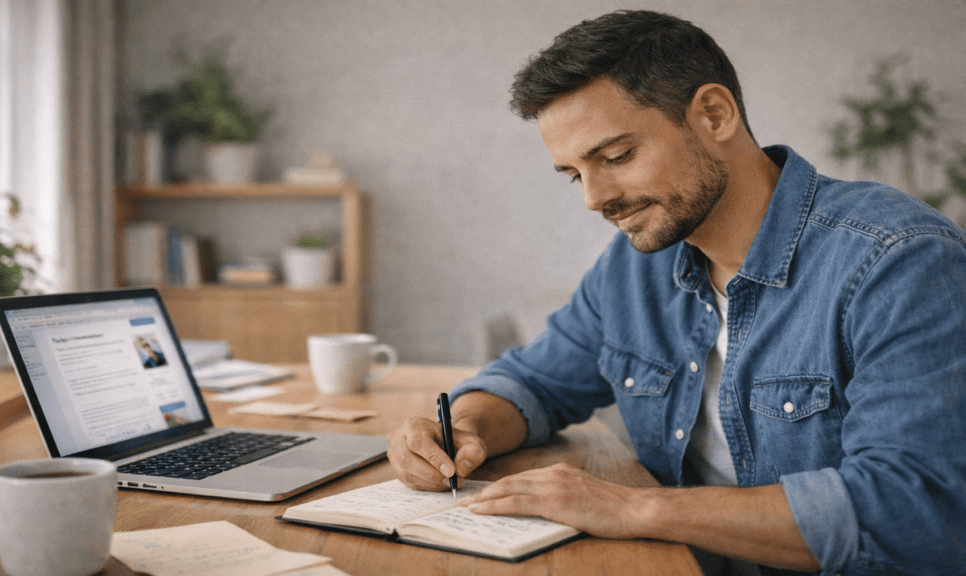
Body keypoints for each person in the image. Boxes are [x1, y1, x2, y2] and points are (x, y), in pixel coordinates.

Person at [386, 10, 966, 576]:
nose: (594, 197)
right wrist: (464, 429)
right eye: (574, 174)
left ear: (714, 115)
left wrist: (633, 508)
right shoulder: (635, 264)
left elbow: (913, 509)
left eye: (616, 157)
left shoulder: (900, 261)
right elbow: (536, 381)